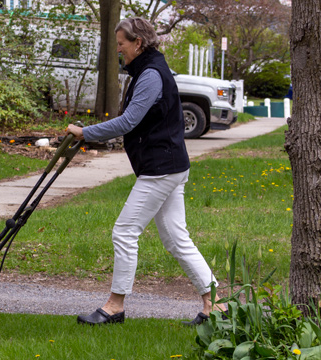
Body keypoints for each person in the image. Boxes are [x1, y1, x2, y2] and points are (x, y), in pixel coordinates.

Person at [66, 17, 223, 326]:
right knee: (177, 239)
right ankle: (214, 304)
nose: (119, 50)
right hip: (168, 165)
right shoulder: (149, 69)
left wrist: (86, 133)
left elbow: (128, 121)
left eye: (122, 44)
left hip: (160, 168)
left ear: (137, 43)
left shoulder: (151, 74)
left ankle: (115, 306)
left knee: (124, 232)